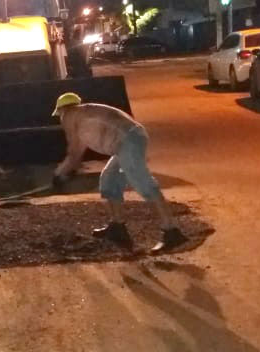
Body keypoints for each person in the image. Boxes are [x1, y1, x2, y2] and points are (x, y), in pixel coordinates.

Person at [51, 92, 188, 253]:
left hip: (128, 142)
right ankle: (117, 227)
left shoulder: (70, 115)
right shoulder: (87, 113)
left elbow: (73, 152)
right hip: (130, 140)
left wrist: (58, 175)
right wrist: (68, 169)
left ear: (62, 110)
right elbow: (78, 152)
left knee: (144, 184)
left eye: (59, 114)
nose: (60, 119)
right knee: (108, 180)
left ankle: (172, 232)